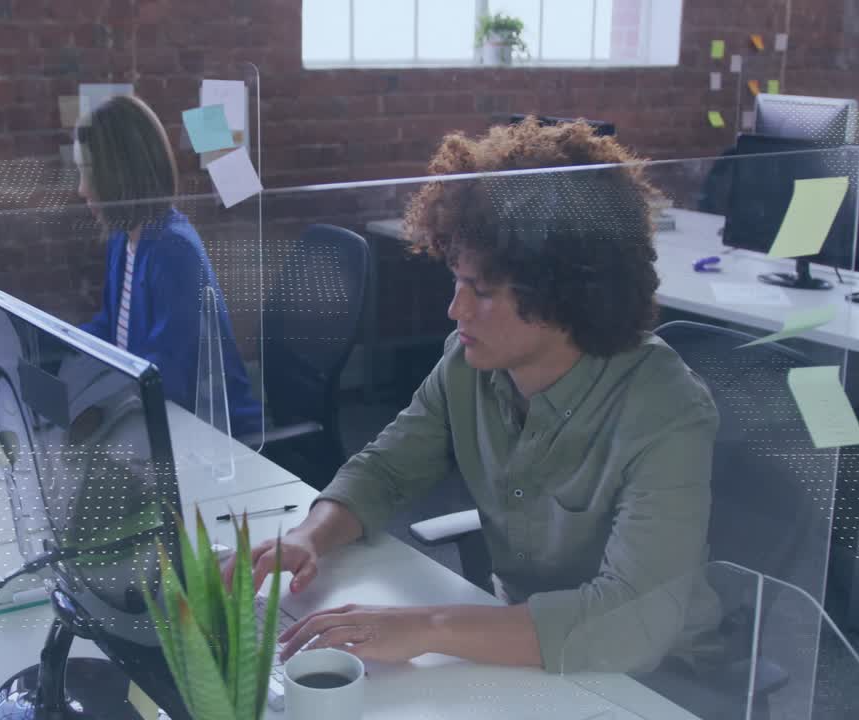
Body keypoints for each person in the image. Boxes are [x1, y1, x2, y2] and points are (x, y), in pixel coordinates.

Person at [236, 119, 720, 673]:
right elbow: (386, 470)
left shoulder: (665, 410)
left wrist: (427, 627)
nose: (456, 310)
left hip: (657, 678)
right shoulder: (467, 366)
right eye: (457, 280)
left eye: (482, 291)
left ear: (565, 296)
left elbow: (632, 623)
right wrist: (308, 537)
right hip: (518, 644)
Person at [75, 95, 262, 436]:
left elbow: (167, 374)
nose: (82, 189)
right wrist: (56, 348)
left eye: (90, 174)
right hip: (151, 416)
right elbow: (109, 328)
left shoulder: (173, 251)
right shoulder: (123, 238)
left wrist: (96, 407)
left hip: (207, 432)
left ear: (120, 176)